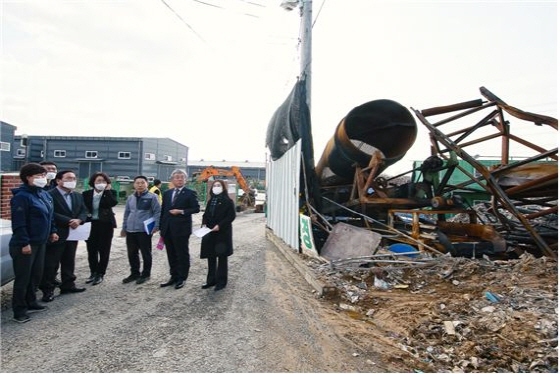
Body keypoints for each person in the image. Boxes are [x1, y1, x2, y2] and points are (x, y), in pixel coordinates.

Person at [9, 163, 59, 323]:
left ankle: (31, 302)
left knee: (35, 275)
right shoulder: (21, 197)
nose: (42, 179)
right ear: (27, 178)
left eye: (43, 176)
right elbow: (19, 223)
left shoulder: (43, 194)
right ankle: (19, 310)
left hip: (41, 242)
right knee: (23, 278)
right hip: (25, 244)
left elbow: (50, 216)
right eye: (38, 176)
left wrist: (53, 231)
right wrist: (24, 242)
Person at [39, 170, 88, 301]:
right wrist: (68, 221)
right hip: (56, 233)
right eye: (68, 178)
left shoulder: (77, 195)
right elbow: (50, 213)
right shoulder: (49, 195)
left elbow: (84, 210)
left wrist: (79, 220)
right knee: (51, 263)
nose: (72, 181)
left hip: (73, 234)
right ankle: (47, 289)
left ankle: (68, 284)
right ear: (58, 180)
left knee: (69, 260)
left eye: (73, 178)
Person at [159, 169, 200, 290]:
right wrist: (162, 227)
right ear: (172, 179)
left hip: (182, 229)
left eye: (182, 177)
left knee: (181, 254)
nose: (179, 179)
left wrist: (181, 211)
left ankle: (182, 278)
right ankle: (173, 276)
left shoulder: (190, 193)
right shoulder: (167, 193)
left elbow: (196, 209)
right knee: (171, 253)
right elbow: (163, 211)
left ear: (185, 180)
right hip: (167, 229)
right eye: (177, 177)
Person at [120, 175, 161, 285]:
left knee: (145, 252)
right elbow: (127, 213)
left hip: (144, 230)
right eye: (137, 183)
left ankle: (146, 274)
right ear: (134, 184)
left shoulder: (152, 197)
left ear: (147, 184)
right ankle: (134, 273)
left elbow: (157, 212)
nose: (140, 185)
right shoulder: (130, 198)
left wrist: (156, 226)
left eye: (142, 182)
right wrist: (124, 228)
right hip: (131, 230)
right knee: (132, 253)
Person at [82, 172, 118, 286]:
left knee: (104, 250)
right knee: (91, 250)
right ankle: (93, 272)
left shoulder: (110, 193)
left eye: (103, 181)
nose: (101, 183)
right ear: (93, 182)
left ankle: (100, 274)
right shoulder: (86, 194)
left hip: (106, 225)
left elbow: (112, 203)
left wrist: (107, 191)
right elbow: (83, 208)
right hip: (90, 224)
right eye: (98, 181)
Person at [199, 179, 236, 291]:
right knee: (211, 256)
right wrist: (204, 223)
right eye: (214, 185)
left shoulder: (228, 201)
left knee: (222, 258)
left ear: (223, 187)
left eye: (219, 185)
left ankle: (221, 282)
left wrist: (219, 225)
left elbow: (231, 216)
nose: (216, 187)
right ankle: (211, 280)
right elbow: (206, 214)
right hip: (210, 233)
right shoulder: (211, 201)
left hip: (222, 233)